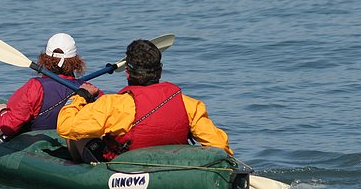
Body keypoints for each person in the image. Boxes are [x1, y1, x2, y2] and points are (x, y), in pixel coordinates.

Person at [56, 39, 232, 162]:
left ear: (127, 72)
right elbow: (219, 145)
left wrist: (81, 96)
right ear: (160, 71)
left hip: (125, 173)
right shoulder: (188, 104)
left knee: (76, 137)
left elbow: (64, 126)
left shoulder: (112, 105)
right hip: (174, 167)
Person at [0, 32, 98, 141]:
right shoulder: (89, 89)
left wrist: (3, 111)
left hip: (35, 146)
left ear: (45, 59)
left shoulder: (35, 87)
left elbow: (9, 127)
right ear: (76, 61)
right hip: (69, 144)